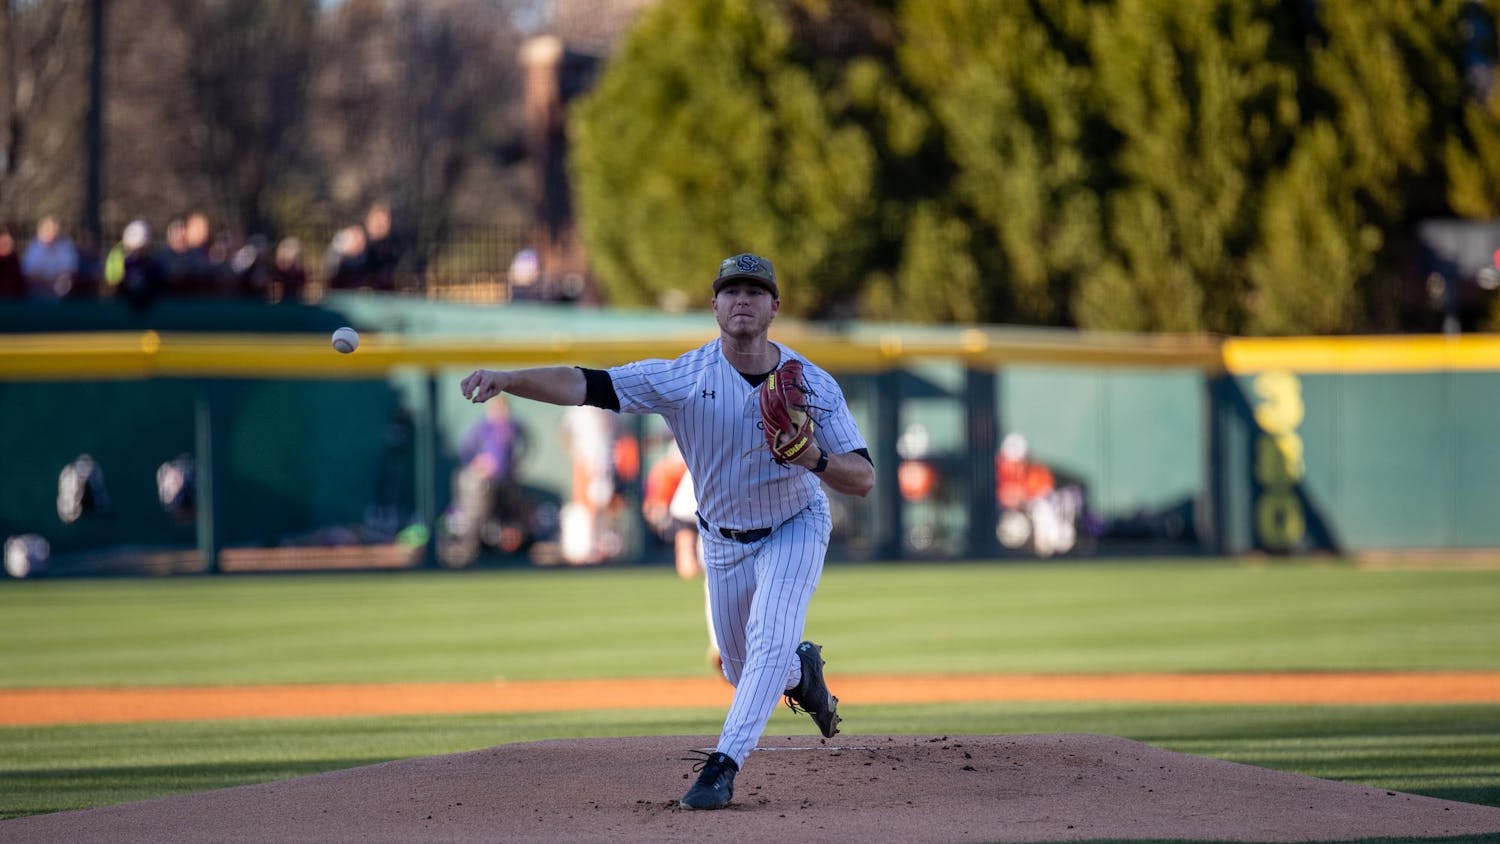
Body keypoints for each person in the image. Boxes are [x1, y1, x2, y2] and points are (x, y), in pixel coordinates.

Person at [460, 252, 874, 811]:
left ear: (775, 306)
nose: (743, 300)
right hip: (723, 541)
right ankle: (802, 674)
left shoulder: (812, 385)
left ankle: (722, 768)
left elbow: (863, 477)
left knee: (769, 637)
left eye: (755, 291)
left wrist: (814, 458)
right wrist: (510, 379)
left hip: (794, 525)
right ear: (715, 306)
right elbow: (585, 383)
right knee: (737, 666)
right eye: (732, 291)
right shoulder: (684, 378)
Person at [642, 443, 721, 674]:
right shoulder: (709, 453)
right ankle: (725, 650)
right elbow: (684, 512)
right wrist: (684, 548)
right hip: (718, 546)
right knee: (719, 591)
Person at [441, 396, 530, 567]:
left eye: (504, 408)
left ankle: (510, 556)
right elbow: (465, 451)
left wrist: (518, 463)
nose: (501, 412)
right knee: (476, 516)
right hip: (482, 485)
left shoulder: (514, 427)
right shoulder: (481, 428)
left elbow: (526, 445)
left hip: (507, 483)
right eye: (497, 408)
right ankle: (469, 554)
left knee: (512, 517)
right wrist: (478, 464)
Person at [20, 215, 79, 299]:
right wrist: (46, 284)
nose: (52, 233)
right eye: (48, 229)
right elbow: (29, 274)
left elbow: (69, 272)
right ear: (40, 231)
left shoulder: (65, 246)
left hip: (60, 293)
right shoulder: (33, 248)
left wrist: (55, 284)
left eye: (54, 230)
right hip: (36, 292)